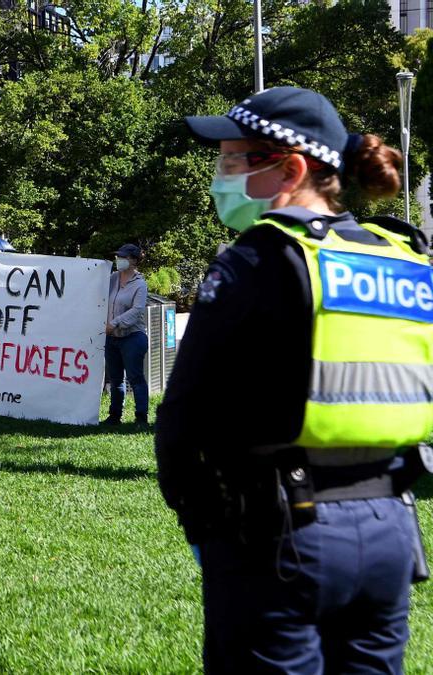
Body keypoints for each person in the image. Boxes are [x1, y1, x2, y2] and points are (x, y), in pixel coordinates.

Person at [156, 86, 431, 673]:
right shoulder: (404, 256)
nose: (221, 174)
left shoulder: (259, 258)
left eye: (233, 159)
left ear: (292, 168)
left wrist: (203, 522)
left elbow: (182, 417)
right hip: (391, 530)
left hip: (279, 536)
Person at [103, 243, 149, 425]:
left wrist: (114, 324)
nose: (119, 260)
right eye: (118, 256)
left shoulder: (140, 284)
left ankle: (141, 418)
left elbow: (137, 310)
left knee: (135, 378)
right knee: (115, 379)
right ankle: (115, 416)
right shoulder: (112, 278)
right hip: (112, 338)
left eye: (124, 257)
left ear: (134, 261)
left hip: (133, 338)